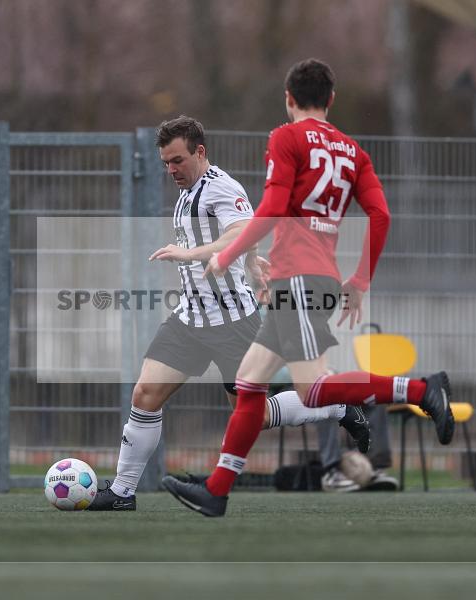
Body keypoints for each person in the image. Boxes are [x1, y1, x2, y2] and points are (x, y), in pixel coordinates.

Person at [162, 59, 454, 517]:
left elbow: (275, 206)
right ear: (331, 100)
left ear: (289, 98)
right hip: (309, 275)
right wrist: (359, 279)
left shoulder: (286, 136)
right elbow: (381, 215)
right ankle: (217, 491)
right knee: (249, 384)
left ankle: (421, 390)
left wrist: (226, 253)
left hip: (299, 277)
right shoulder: (353, 151)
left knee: (314, 389)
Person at [89, 115, 369, 511]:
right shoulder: (189, 189)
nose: (171, 170)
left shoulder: (221, 186)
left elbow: (241, 228)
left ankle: (338, 406)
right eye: (166, 163)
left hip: (232, 320)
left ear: (200, 152)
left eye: (178, 161)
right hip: (190, 318)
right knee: (145, 393)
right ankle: (122, 492)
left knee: (259, 414)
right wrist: (254, 263)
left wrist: (191, 254)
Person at [317, 404, 399, 492]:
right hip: (308, 397)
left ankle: (374, 467)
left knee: (374, 397)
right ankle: (332, 471)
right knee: (328, 399)